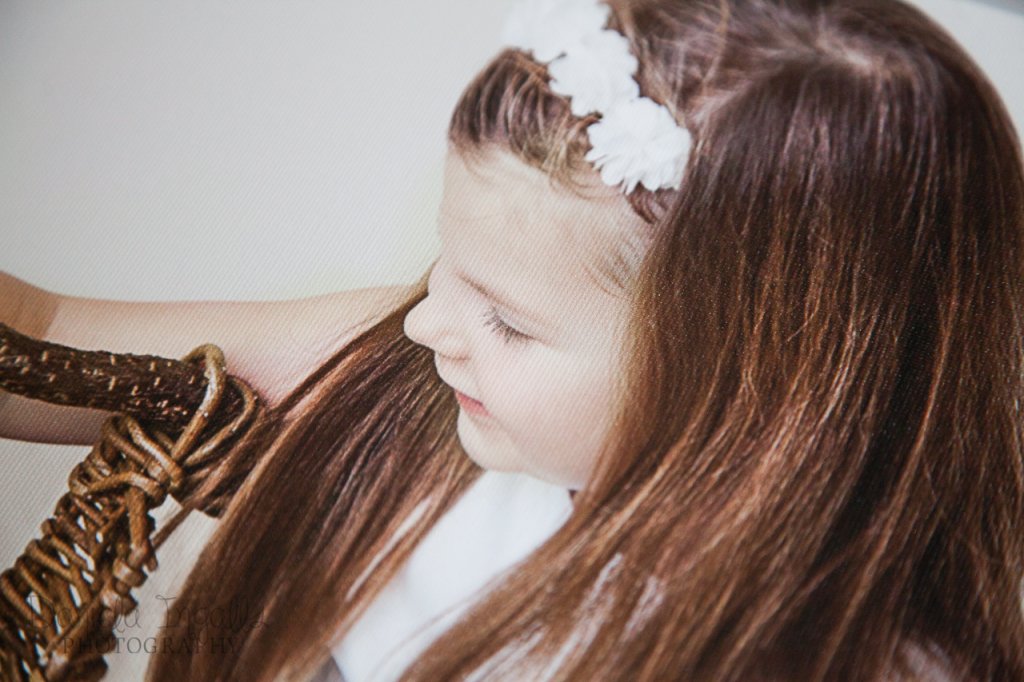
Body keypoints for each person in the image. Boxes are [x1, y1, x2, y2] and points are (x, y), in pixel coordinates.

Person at [2, 0, 1023, 679]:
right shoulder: (406, 387)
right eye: (441, 263)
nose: (423, 321)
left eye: (507, 320)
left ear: (760, 393)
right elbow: (40, 337)